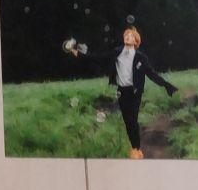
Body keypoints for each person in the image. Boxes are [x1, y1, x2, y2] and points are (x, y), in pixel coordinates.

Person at [67, 26, 177, 159]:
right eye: (126, 35)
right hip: (122, 91)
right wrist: (79, 54)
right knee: (127, 121)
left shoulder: (140, 57)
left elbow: (151, 74)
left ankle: (136, 149)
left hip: (135, 92)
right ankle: (135, 147)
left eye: (130, 36)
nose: (127, 37)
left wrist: (166, 85)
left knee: (133, 120)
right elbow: (99, 58)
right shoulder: (117, 52)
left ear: (136, 41)